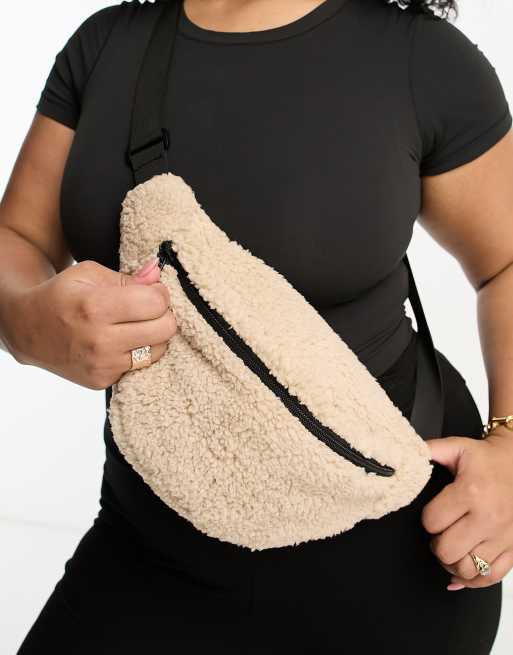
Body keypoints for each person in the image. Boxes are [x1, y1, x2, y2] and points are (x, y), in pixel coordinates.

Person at [2, 0, 513, 652]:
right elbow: (17, 237)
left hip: (387, 550)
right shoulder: (106, 46)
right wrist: (24, 320)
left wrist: (510, 447)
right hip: (147, 539)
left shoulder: (422, 59)